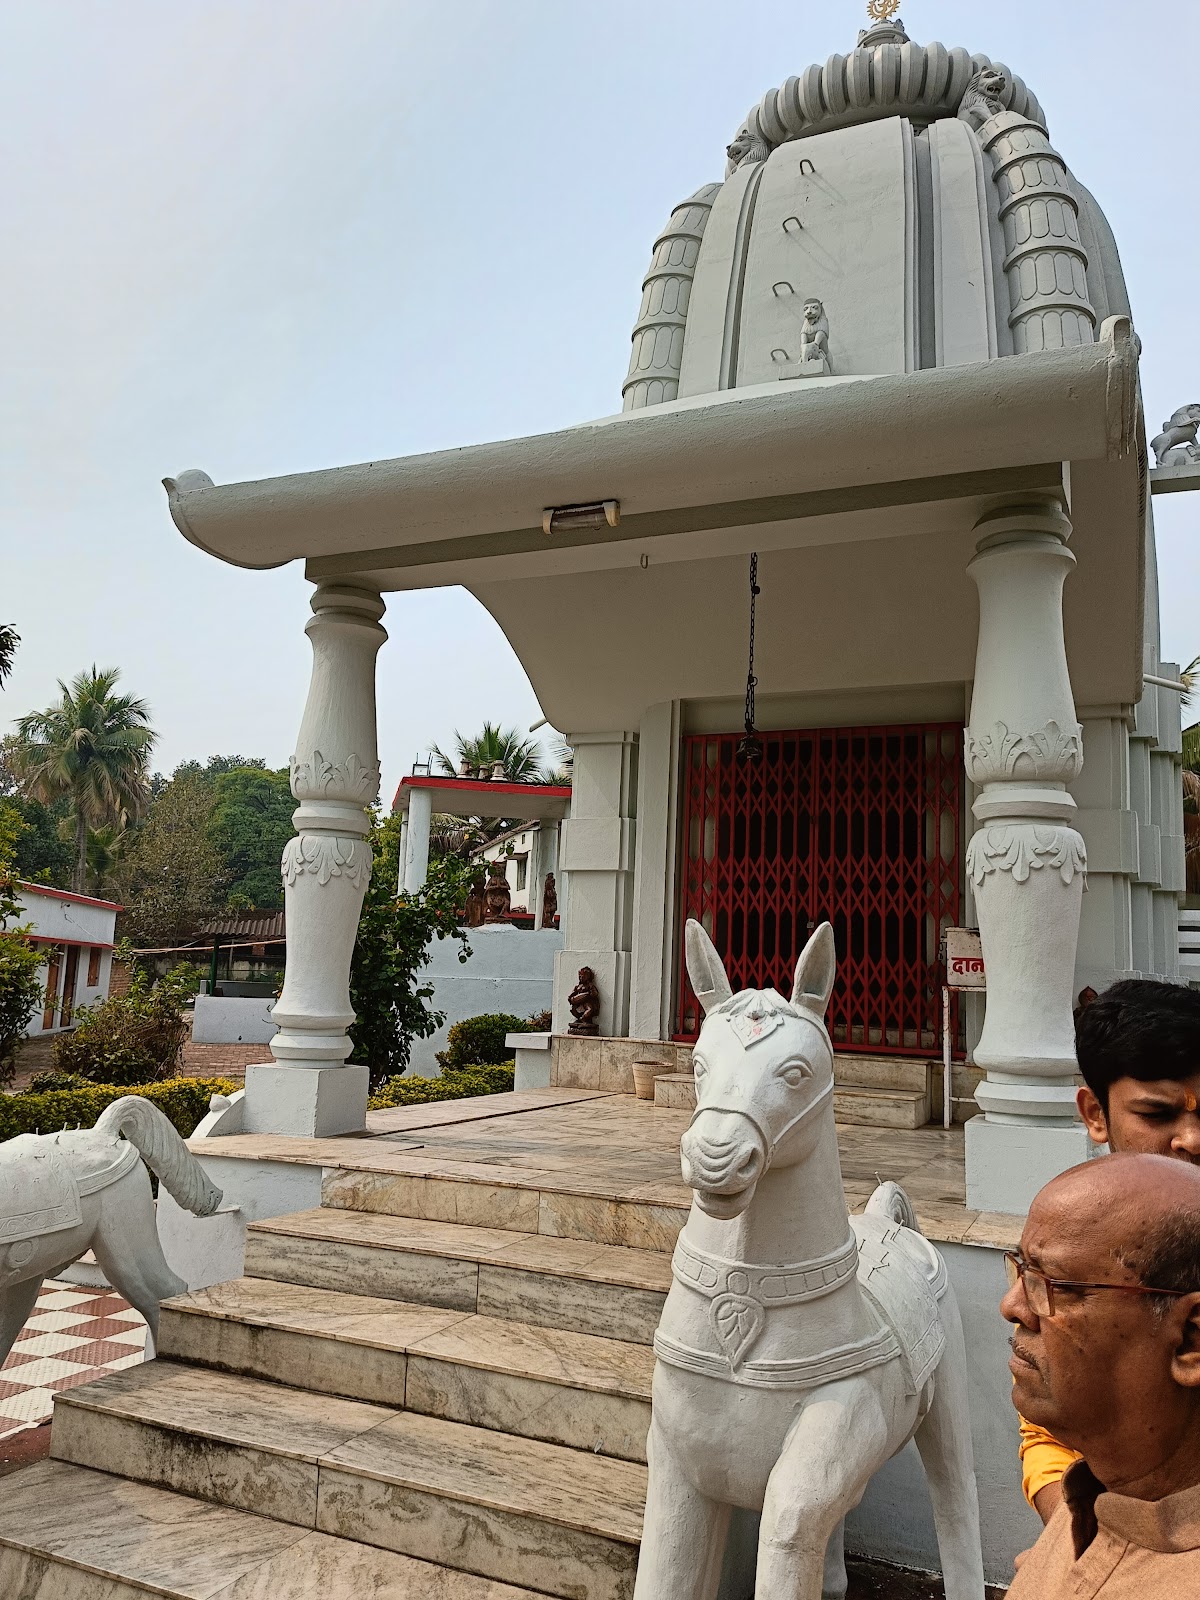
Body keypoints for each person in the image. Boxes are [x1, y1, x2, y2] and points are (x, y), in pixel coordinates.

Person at [1019, 979, 1200, 1522]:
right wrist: (1075, 1548)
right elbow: (1047, 1430)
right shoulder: (1071, 1245)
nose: (1191, 1139)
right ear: (1095, 1113)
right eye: (1158, 1114)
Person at [1002, 1154, 1200, 1595]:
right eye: (1020, 1268)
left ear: (1190, 1339)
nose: (1012, 1306)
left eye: (1053, 1284)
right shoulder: (1095, 1494)